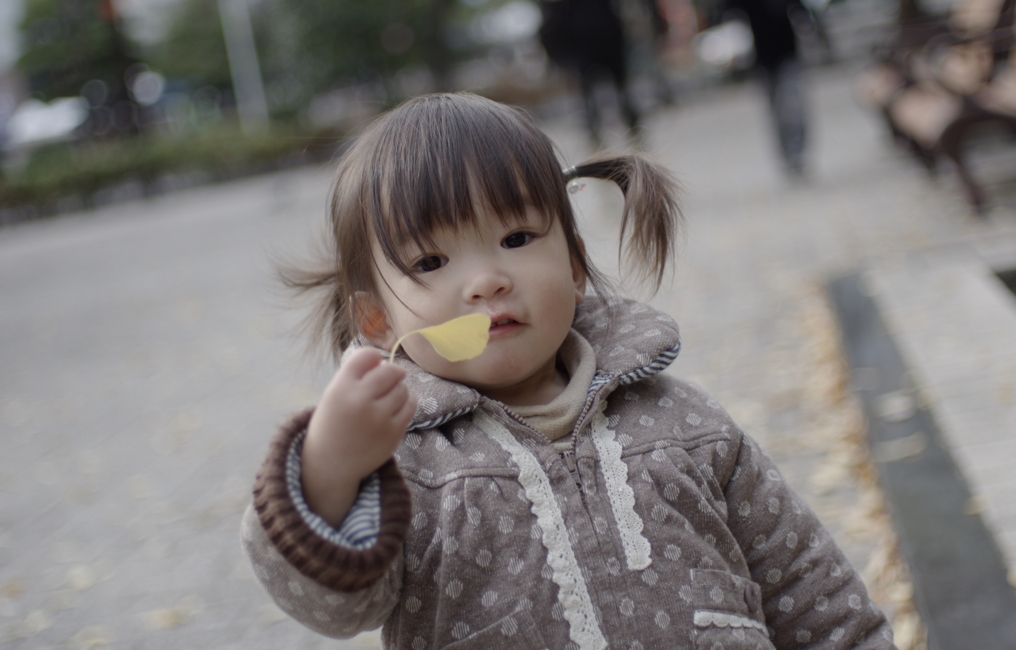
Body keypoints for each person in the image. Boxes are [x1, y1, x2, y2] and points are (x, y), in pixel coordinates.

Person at [241, 92, 896, 649]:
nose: (487, 281)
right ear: (379, 321)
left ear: (576, 265)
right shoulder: (406, 467)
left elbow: (806, 586)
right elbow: (334, 607)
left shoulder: (682, 420)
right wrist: (330, 468)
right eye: (432, 262)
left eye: (517, 239)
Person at [535, 0, 666, 148]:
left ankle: (634, 137)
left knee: (621, 89)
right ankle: (598, 141)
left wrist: (657, 20)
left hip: (607, 29)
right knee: (588, 95)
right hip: (576, 35)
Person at [722, 0, 813, 176]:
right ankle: (786, 155)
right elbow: (724, 12)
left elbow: (801, 10)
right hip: (762, 62)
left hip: (788, 56)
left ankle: (797, 154)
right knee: (776, 111)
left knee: (792, 106)